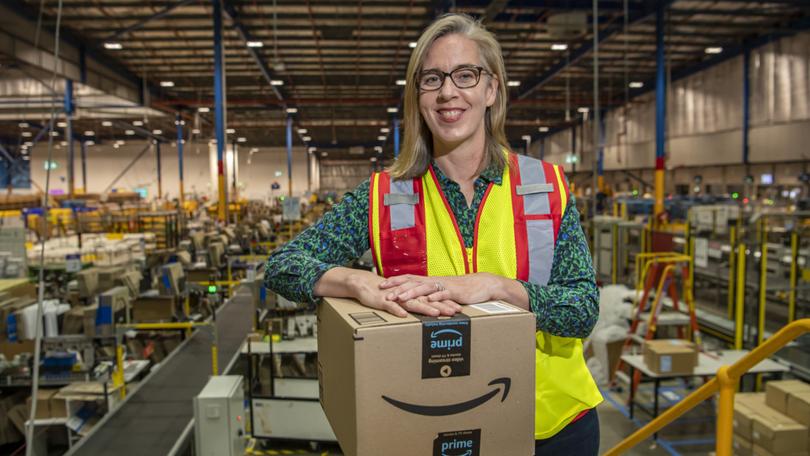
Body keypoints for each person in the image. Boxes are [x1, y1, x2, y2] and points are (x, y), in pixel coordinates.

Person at [265, 13, 602, 456]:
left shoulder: (545, 187)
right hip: (433, 425)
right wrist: (357, 281)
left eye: (465, 75)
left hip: (552, 427)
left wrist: (498, 287)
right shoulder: (384, 195)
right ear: (418, 96)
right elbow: (281, 266)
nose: (447, 92)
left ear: (491, 89)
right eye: (431, 79)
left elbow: (582, 310)